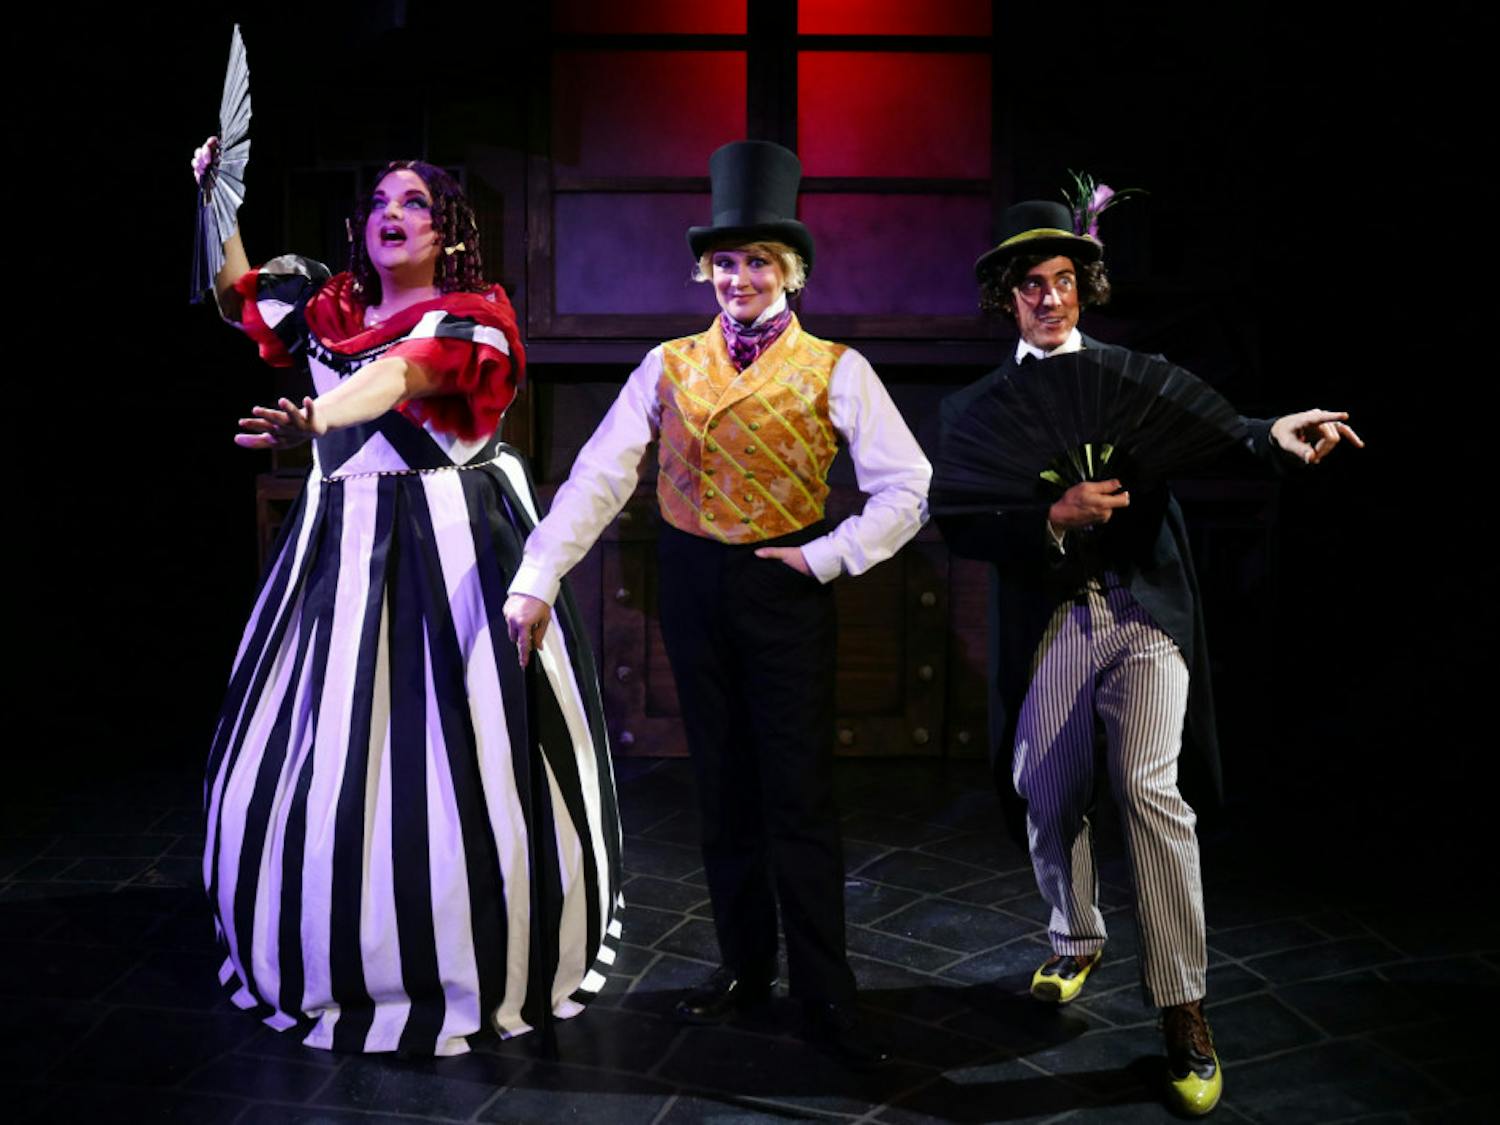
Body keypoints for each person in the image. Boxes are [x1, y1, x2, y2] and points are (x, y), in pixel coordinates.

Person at [502, 140, 930, 1068]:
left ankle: (825, 986)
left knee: (798, 796)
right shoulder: (668, 363)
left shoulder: (835, 366)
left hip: (783, 588)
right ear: (708, 269)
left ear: (792, 272)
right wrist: (537, 576)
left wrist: (825, 556)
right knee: (722, 790)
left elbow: (908, 486)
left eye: (759, 261)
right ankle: (744, 968)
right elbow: (599, 477)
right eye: (727, 261)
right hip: (693, 583)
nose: (740, 277)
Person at [194, 139, 623, 1056]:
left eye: (417, 202)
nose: (393, 212)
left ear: (450, 232)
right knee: (326, 738)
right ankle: (319, 932)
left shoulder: (475, 322)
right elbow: (242, 300)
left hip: (452, 544)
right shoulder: (328, 307)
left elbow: (404, 376)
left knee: (456, 745)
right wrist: (215, 199)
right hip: (339, 544)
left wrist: (322, 414)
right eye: (382, 198)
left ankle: (473, 939)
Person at [935, 199, 1361, 1115]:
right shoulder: (975, 409)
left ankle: (1183, 1009)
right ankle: (1075, 935)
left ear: (1083, 290)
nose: (1049, 299)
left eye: (1062, 283)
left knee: (1148, 789)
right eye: (1030, 286)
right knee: (1046, 786)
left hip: (1144, 613)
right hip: (1053, 617)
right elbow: (958, 520)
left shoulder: (1135, 377)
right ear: (1007, 301)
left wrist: (1273, 434)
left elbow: (1216, 428)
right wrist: (1050, 515)